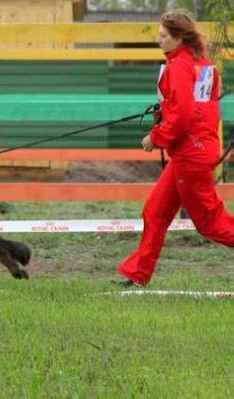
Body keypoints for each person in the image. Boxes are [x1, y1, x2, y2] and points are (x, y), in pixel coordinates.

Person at [115, 9, 234, 287]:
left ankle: (137, 274)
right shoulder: (203, 64)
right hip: (195, 149)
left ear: (179, 38)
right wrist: (165, 113)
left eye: (163, 35)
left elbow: (182, 116)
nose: (158, 40)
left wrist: (156, 136)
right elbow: (199, 109)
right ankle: (137, 274)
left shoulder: (178, 67)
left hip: (190, 153)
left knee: (210, 224)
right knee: (155, 211)